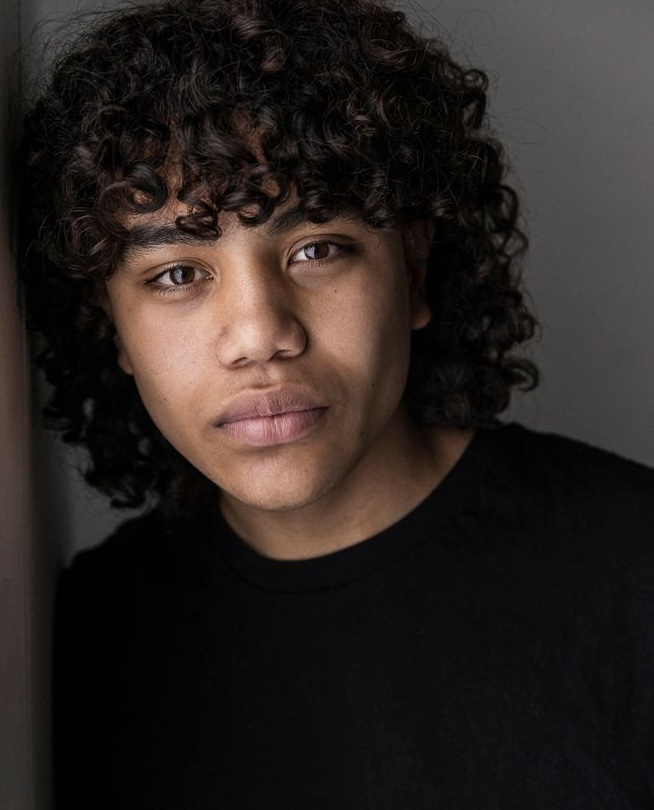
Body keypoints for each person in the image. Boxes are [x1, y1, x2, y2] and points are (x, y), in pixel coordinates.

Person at [17, 0, 654, 807]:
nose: (260, 336)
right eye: (176, 274)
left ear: (412, 270)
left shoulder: (633, 566)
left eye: (317, 248)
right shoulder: (91, 632)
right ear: (112, 323)